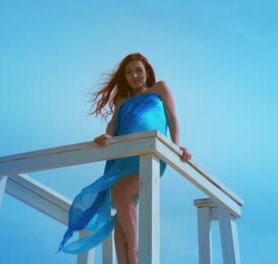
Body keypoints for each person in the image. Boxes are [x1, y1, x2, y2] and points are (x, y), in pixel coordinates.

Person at [58, 53, 191, 264]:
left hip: (150, 153)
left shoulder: (160, 88)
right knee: (121, 210)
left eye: (138, 70)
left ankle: (136, 254)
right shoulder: (122, 100)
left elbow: (173, 119)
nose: (135, 75)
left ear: (147, 72)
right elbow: (113, 126)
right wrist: (108, 136)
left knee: (121, 193)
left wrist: (176, 147)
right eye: (129, 72)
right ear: (125, 77)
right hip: (123, 158)